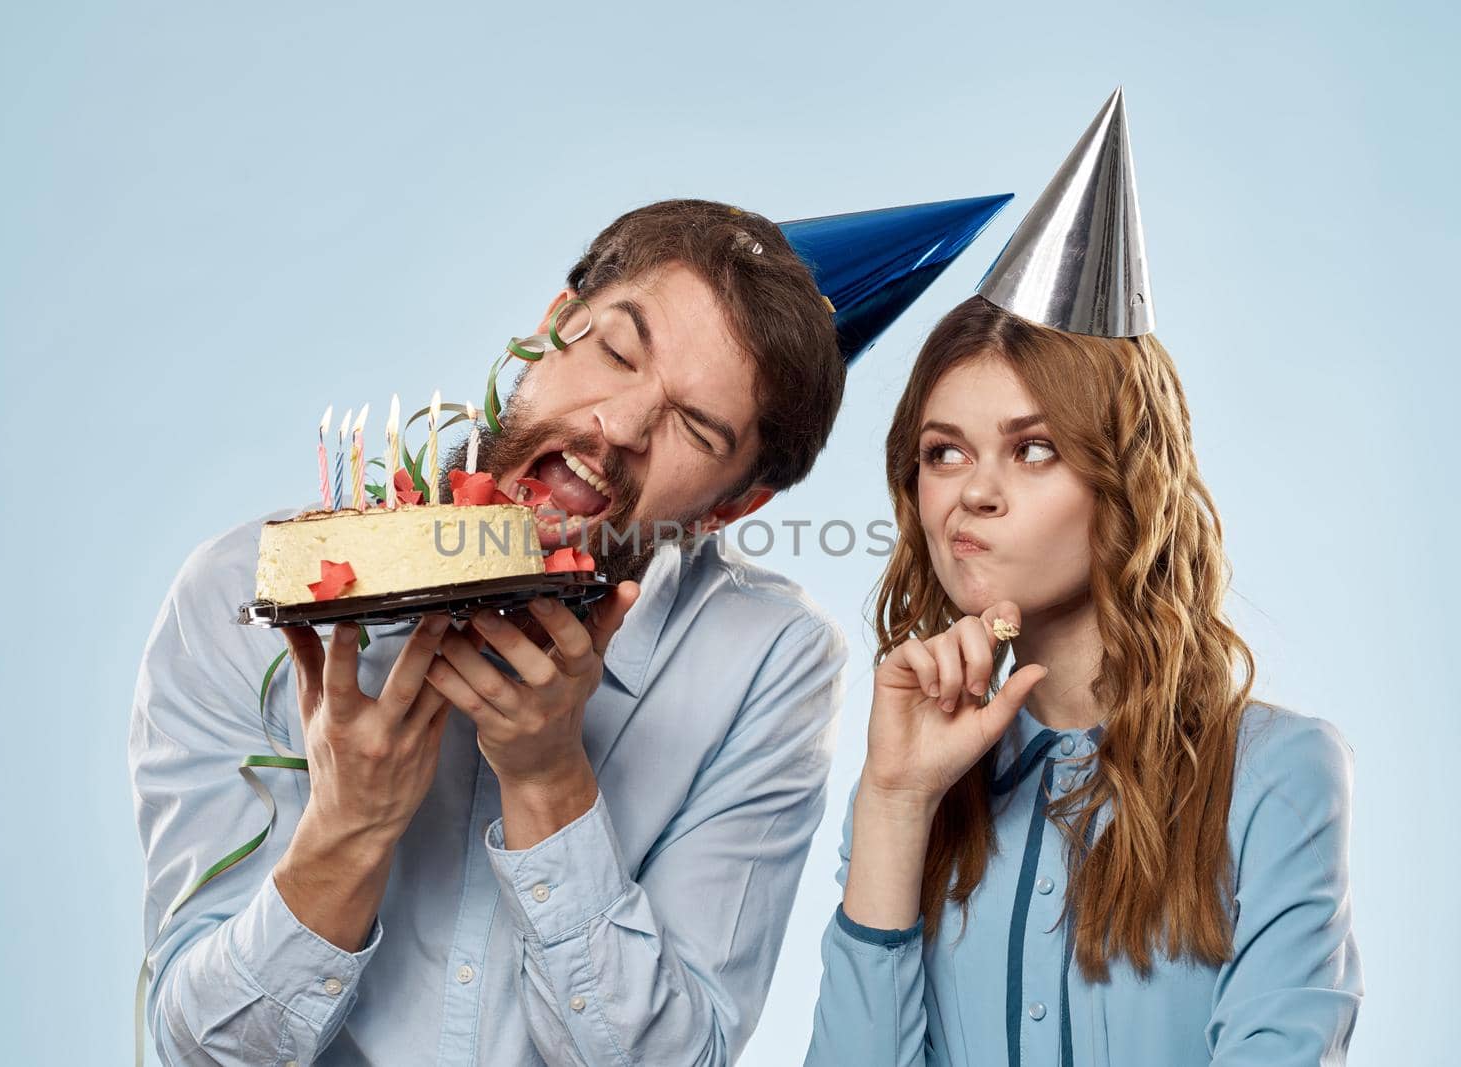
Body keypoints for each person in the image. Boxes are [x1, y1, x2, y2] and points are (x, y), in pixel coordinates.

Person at [130, 195, 1002, 1065]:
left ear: (732, 506)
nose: (618, 428)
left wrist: (549, 783)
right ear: (555, 327)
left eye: (695, 428)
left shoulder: (770, 660)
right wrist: (349, 826)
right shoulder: (238, 594)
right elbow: (198, 1051)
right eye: (617, 352)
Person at [805, 92, 1362, 1067]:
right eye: (943, 452)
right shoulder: (911, 778)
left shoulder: (1275, 773)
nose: (971, 494)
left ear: (1125, 481)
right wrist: (893, 803)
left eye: (1032, 450)